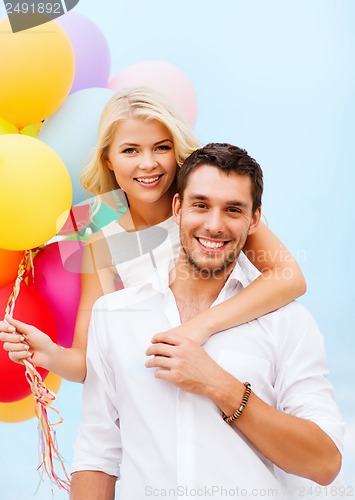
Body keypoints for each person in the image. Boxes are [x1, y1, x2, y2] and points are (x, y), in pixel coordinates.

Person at [70, 143, 343, 500]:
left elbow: (323, 463)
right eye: (200, 205)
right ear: (178, 207)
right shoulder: (114, 317)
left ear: (255, 219)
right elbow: (97, 454)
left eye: (233, 210)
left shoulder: (288, 322)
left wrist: (220, 385)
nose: (214, 225)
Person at [0, 87, 306, 384]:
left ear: (177, 149)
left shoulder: (207, 203)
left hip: (245, 369)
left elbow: (290, 278)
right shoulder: (100, 236)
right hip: (167, 387)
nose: (148, 164)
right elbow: (87, 364)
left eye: (162, 147)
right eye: (130, 150)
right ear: (108, 158)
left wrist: (202, 327)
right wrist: (49, 354)